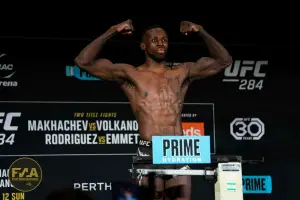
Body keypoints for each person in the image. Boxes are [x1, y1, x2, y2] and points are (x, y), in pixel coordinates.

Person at [75, 19, 232, 200]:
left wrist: (201, 31)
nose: (160, 43)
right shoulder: (131, 74)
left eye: (164, 39)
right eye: (154, 40)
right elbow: (83, 61)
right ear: (143, 46)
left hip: (178, 148)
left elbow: (224, 60)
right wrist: (112, 30)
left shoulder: (181, 72)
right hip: (149, 149)